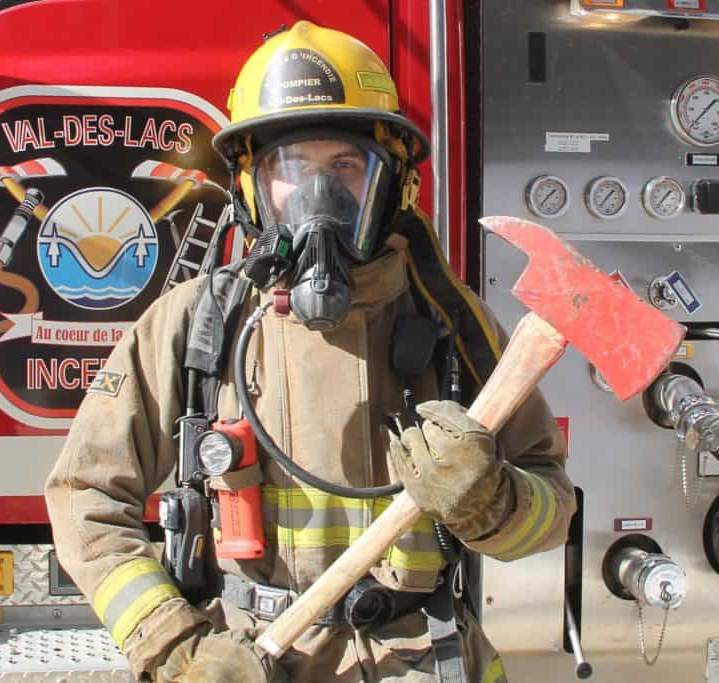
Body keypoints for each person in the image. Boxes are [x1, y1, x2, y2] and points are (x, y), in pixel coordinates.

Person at [45, 21, 575, 683]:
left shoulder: (451, 323)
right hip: (247, 660)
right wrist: (175, 647)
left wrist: (491, 503)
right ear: (248, 187)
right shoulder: (196, 324)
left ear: (393, 185)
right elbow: (82, 495)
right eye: (289, 170)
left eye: (345, 167)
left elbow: (553, 509)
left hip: (421, 658)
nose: (317, 199)